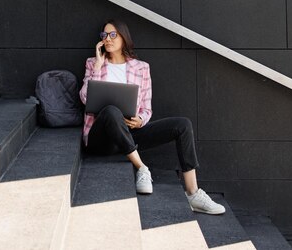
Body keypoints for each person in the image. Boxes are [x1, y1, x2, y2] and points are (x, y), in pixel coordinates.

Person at [79, 18, 225, 216]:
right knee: (111, 110)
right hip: (102, 138)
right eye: (104, 35)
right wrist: (97, 67)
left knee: (182, 125)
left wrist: (140, 119)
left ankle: (193, 193)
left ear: (123, 37)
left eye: (113, 34)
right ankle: (142, 168)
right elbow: (86, 100)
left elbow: (147, 108)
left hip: (130, 133)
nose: (108, 39)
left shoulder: (141, 68)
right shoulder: (93, 64)